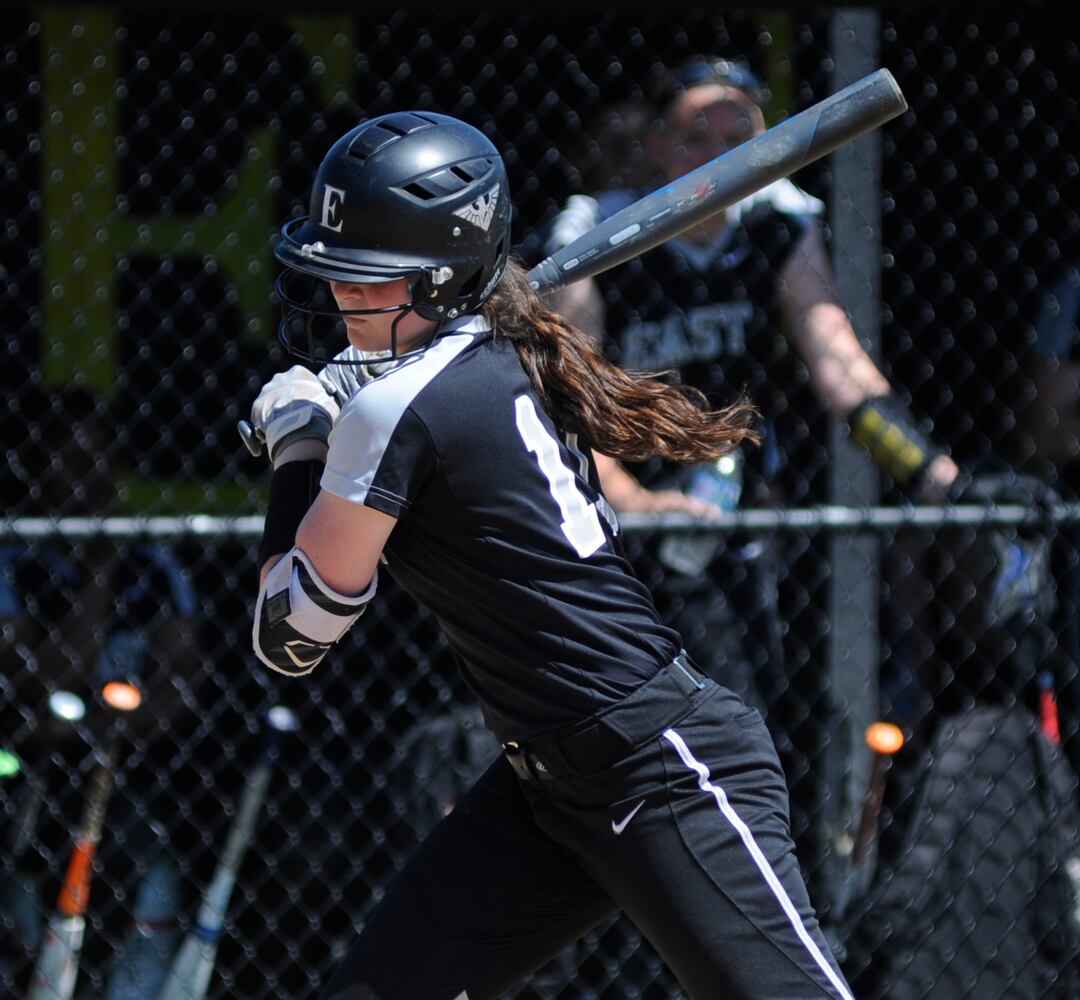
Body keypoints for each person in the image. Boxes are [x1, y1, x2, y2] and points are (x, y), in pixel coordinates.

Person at [246, 110, 855, 999]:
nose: (342, 295)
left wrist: (301, 443)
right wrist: (347, 396)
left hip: (661, 763)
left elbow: (289, 636)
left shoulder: (398, 410)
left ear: (442, 277)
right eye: (336, 272)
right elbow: (418, 398)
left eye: (369, 279)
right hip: (544, 791)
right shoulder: (496, 352)